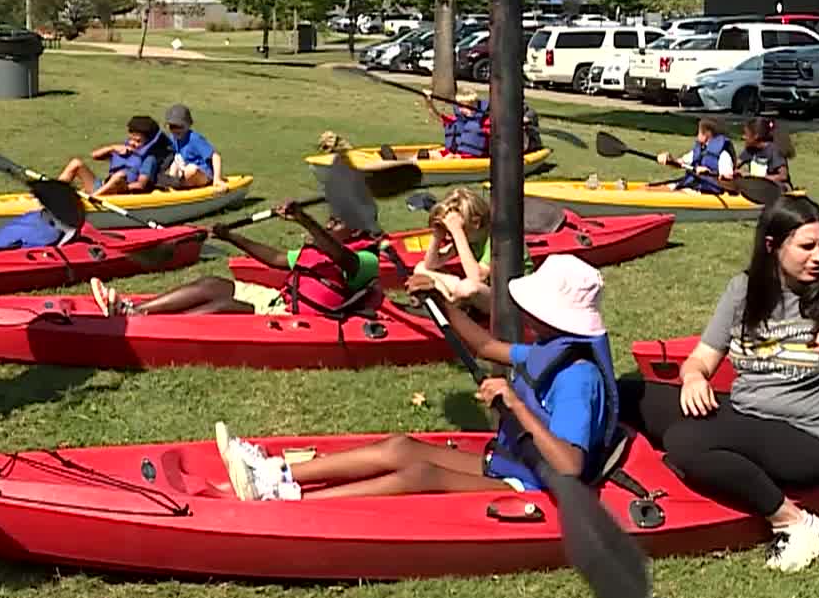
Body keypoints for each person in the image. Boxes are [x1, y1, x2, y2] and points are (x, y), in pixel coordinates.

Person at [620, 195, 819, 572]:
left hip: (807, 441)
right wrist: (694, 378)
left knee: (684, 441)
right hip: (746, 416)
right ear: (772, 246)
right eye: (807, 246)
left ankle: (793, 522)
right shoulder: (744, 289)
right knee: (628, 393)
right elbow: (701, 358)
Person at [218, 254, 620, 500]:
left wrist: (514, 403)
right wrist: (438, 301)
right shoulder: (549, 350)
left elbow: (569, 465)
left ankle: (287, 499)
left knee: (421, 474)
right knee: (400, 447)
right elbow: (485, 347)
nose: (525, 311)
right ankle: (277, 473)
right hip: (514, 462)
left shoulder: (578, 378)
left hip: (540, 484)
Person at [90, 200, 381, 318]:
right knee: (212, 284)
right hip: (279, 299)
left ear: (356, 229)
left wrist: (306, 221)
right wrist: (231, 237)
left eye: (336, 223)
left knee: (225, 306)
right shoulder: (320, 248)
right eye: (328, 221)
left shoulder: (367, 260)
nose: (329, 226)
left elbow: (342, 258)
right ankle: (136, 309)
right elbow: (278, 258)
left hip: (294, 317)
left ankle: (143, 324)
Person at [402, 186, 494, 313]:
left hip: (507, 301)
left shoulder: (497, 240)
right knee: (421, 268)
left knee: (468, 287)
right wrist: (437, 235)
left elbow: (477, 278)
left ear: (476, 222)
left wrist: (457, 231)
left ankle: (450, 304)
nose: (450, 234)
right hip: (482, 295)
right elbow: (430, 264)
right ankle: (452, 301)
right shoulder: (471, 237)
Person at [57, 115, 174, 196]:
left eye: (138, 141)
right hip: (102, 186)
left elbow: (141, 184)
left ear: (148, 142)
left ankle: (93, 198)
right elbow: (94, 156)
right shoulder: (123, 149)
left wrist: (122, 187)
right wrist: (112, 148)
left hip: (120, 192)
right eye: (132, 139)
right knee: (76, 163)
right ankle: (55, 191)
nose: (133, 143)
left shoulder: (149, 159)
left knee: (120, 176)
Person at [656, 117, 736, 194]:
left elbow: (728, 179)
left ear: (706, 135)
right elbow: (680, 163)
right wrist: (669, 159)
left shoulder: (724, 155)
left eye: (698, 132)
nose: (696, 135)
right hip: (693, 186)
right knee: (664, 187)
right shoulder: (700, 150)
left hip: (707, 191)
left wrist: (709, 173)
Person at [158, 103, 225, 190]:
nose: (175, 130)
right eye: (172, 126)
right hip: (185, 173)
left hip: (203, 175)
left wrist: (217, 179)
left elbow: (216, 156)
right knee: (174, 161)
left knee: (191, 169)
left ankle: (175, 184)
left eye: (179, 126)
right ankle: (171, 183)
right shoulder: (173, 138)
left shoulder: (194, 139)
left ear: (188, 125)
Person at [426, 90, 491, 158]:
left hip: (470, 157)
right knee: (430, 154)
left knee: (449, 157)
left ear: (474, 105)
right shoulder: (457, 121)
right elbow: (436, 116)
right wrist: (429, 101)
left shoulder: (486, 122)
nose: (461, 110)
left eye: (465, 106)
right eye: (459, 106)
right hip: (454, 154)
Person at [738, 116, 794, 190]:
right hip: (759, 188)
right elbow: (736, 164)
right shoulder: (750, 149)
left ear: (756, 136)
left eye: (746, 134)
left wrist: (754, 177)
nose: (743, 137)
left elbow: (783, 176)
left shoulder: (774, 150)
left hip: (777, 189)